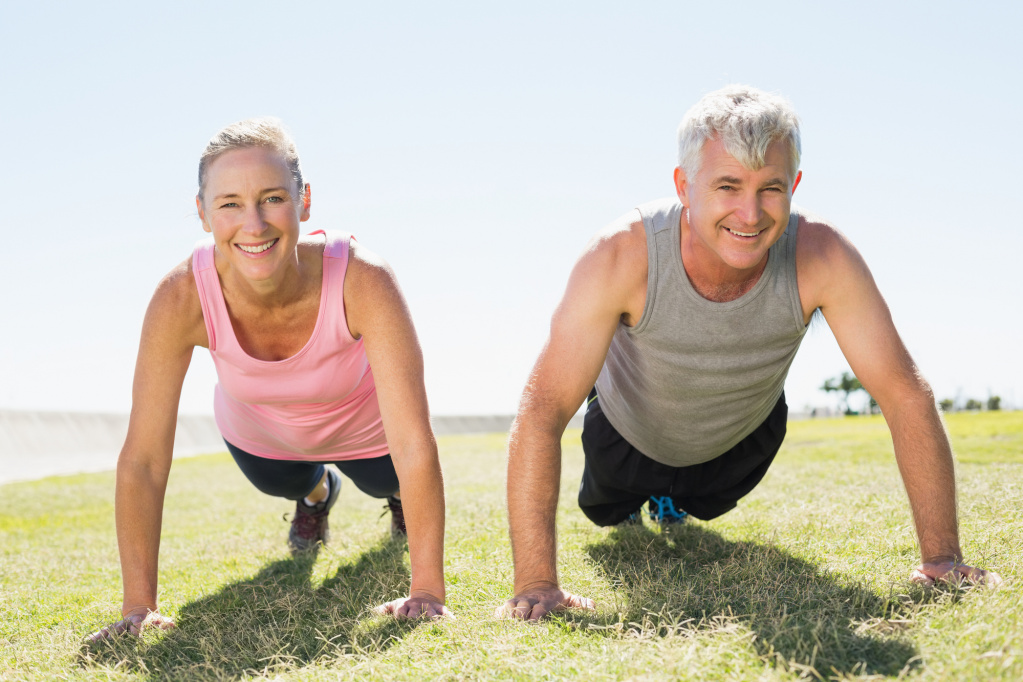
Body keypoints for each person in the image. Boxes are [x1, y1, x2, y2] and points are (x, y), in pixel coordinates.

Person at [498, 85, 1002, 621]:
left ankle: (674, 500)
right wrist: (536, 582)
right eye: (728, 185)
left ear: (795, 187)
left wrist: (943, 558)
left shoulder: (823, 254)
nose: (751, 212)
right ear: (684, 186)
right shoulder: (619, 255)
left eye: (771, 188)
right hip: (625, 433)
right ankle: (637, 501)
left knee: (700, 502)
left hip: (738, 441)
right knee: (608, 514)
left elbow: (904, 394)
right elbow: (543, 406)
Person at [90, 118, 449, 641]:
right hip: (264, 439)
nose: (253, 224)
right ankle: (317, 494)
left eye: (272, 198)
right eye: (230, 203)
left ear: (303, 202)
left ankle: (395, 501)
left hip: (368, 436)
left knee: (387, 478)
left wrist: (427, 592)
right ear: (203, 213)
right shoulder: (180, 296)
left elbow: (414, 441)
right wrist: (138, 606)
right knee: (278, 482)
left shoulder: (362, 277)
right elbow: (143, 459)